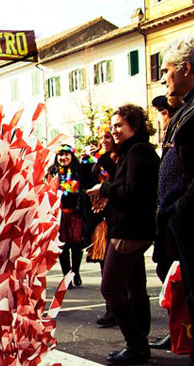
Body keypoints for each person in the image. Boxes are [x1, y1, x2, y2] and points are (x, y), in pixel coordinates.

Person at [155, 37, 194, 366]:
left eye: (167, 70)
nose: (164, 78)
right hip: (190, 220)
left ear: (187, 68)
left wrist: (182, 209)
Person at [87, 105, 159, 366]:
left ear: (135, 126)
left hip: (130, 230)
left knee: (111, 288)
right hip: (132, 228)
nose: (114, 130)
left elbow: (133, 191)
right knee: (135, 286)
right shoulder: (134, 151)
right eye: (113, 125)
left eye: (119, 125)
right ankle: (140, 339)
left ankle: (136, 344)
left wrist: (104, 189)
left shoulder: (138, 152)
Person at [150, 95, 183, 351]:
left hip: (177, 214)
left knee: (176, 276)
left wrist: (176, 208)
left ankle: (182, 332)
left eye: (164, 110)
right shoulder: (169, 136)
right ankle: (177, 329)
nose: (162, 116)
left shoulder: (181, 130)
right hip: (167, 215)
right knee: (166, 271)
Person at [84, 127, 118, 327]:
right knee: (104, 265)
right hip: (99, 218)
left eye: (108, 136)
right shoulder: (100, 159)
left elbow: (114, 178)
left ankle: (117, 309)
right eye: (102, 137)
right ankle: (111, 309)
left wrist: (99, 157)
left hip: (114, 217)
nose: (104, 140)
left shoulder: (116, 159)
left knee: (114, 268)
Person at [48, 145, 89, 288]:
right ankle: (66, 275)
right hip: (59, 214)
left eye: (66, 155)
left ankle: (75, 272)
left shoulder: (79, 170)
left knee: (77, 246)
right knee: (62, 247)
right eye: (60, 155)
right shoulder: (52, 172)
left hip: (75, 214)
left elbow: (92, 171)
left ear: (72, 156)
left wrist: (90, 156)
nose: (63, 158)